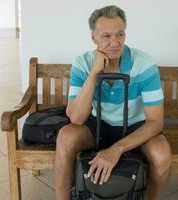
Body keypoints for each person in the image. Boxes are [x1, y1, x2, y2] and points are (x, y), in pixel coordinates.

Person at [54, 5, 171, 200]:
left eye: (120, 35)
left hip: (135, 127)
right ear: (94, 38)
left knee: (162, 154)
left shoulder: (144, 64)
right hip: (97, 126)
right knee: (66, 137)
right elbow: (75, 118)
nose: (115, 43)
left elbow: (156, 122)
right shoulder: (82, 63)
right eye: (107, 36)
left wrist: (116, 149)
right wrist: (94, 73)